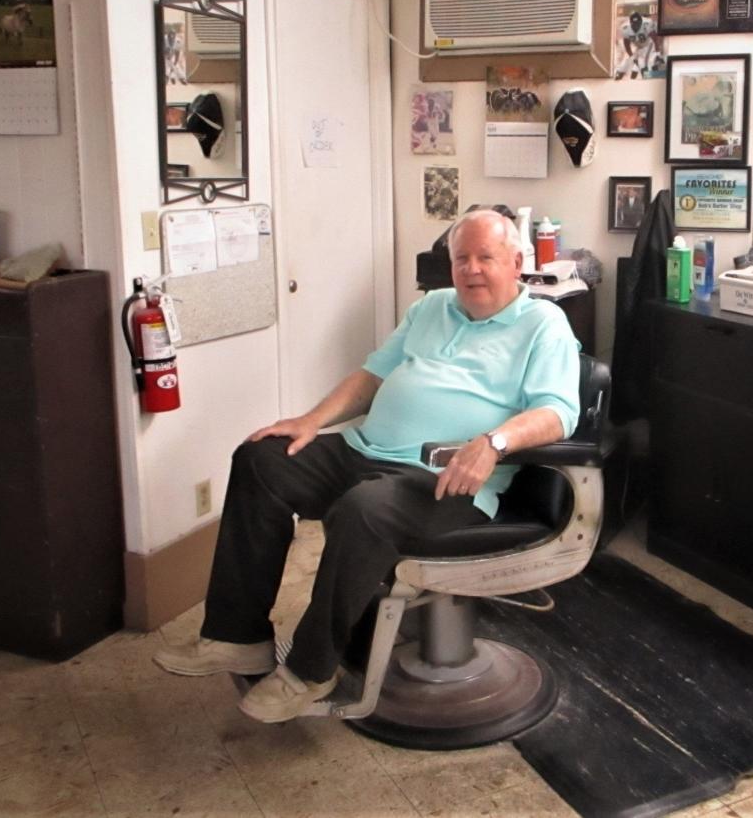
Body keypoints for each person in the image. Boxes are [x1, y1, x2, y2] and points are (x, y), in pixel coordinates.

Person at [154, 209, 581, 723]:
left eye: (485, 258)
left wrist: (494, 441)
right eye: (461, 258)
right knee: (261, 459)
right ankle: (236, 636)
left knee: (364, 509)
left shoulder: (543, 324)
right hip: (363, 450)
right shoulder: (432, 308)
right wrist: (312, 420)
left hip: (442, 478)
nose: (471, 269)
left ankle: (312, 669)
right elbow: (373, 376)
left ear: (516, 263)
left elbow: (559, 412)